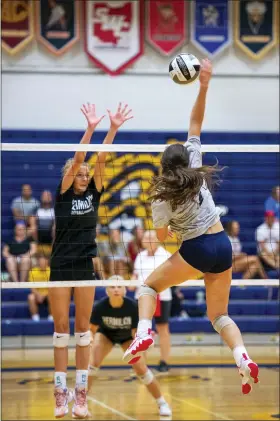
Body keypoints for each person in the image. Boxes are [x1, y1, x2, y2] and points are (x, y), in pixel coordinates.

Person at [123, 59, 259, 395]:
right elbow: (195, 121)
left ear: (163, 166)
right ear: (185, 159)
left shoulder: (160, 195)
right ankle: (242, 358)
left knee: (147, 288)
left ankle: (143, 333)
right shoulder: (196, 165)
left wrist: (167, 230)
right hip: (222, 244)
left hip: (196, 249)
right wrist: (204, 83)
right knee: (219, 316)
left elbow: (160, 237)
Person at [48, 102, 133, 419]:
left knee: (83, 331)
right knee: (60, 331)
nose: (84, 176)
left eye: (86, 175)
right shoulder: (64, 193)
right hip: (60, 267)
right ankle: (60, 395)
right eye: (79, 174)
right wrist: (91, 127)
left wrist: (113, 128)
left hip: (85, 265)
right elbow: (82, 157)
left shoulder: (93, 194)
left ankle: (80, 396)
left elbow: (99, 159)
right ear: (70, 177)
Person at [88, 278, 172, 417]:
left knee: (141, 369)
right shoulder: (99, 307)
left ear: (124, 290)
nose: (116, 289)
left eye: (119, 286)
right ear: (107, 291)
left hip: (127, 337)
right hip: (106, 335)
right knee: (91, 366)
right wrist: (90, 338)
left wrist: (142, 347)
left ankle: (162, 403)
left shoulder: (132, 306)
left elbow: (135, 334)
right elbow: (91, 329)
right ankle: (82, 403)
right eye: (112, 287)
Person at [132, 230, 172, 372]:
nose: (147, 240)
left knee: (163, 329)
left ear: (157, 240)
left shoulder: (166, 255)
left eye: (151, 237)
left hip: (162, 296)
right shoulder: (140, 256)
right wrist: (130, 283)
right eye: (145, 237)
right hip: (141, 297)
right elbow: (135, 276)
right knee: (140, 330)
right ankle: (142, 364)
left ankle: (164, 362)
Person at [28, 255, 52, 321]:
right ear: (38, 262)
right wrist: (38, 294)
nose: (42, 263)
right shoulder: (32, 272)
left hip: (48, 294)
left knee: (52, 296)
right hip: (37, 294)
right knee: (31, 297)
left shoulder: (51, 271)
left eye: (43, 261)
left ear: (47, 262)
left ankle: (51, 317)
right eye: (40, 261)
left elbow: (53, 287)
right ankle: (35, 318)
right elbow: (32, 287)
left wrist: (45, 295)